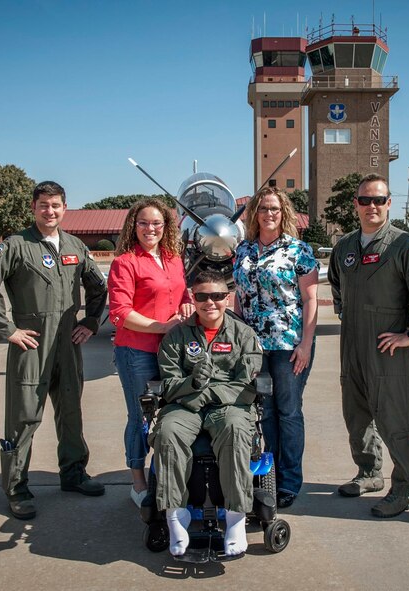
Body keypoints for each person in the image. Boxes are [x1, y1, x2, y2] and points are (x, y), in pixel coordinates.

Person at [0, 181, 107, 520]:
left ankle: (73, 473)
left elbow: (97, 286)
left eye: (56, 205)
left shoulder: (75, 245)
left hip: (67, 343)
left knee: (72, 412)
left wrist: (90, 321)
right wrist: (7, 330)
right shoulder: (15, 246)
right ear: (34, 207)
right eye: (44, 205)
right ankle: (16, 487)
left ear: (64, 208)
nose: (50, 211)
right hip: (31, 343)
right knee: (24, 417)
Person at [327, 173, 409, 518]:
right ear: (356, 205)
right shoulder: (345, 246)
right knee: (356, 415)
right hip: (353, 344)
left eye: (379, 200)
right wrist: (346, 312)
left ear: (389, 203)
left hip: (388, 347)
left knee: (397, 419)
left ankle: (404, 488)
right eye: (365, 200)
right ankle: (369, 472)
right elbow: (336, 284)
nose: (372, 206)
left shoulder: (405, 245)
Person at [150, 270, 263, 557]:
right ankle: (176, 517)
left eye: (216, 296)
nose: (209, 302)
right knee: (167, 431)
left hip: (229, 405)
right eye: (202, 296)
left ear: (228, 298)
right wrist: (194, 383)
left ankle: (236, 518)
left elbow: (246, 386)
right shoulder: (177, 336)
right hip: (184, 406)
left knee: (237, 430)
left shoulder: (244, 335)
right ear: (193, 297)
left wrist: (208, 392)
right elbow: (169, 385)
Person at [232, 186, 318, 509]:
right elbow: (239, 300)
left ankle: (290, 481)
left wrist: (306, 343)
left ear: (284, 214)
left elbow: (310, 299)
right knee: (264, 412)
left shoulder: (298, 250)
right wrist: (239, 340)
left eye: (275, 209)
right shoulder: (243, 251)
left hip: (288, 344)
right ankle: (270, 476)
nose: (269, 214)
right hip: (254, 347)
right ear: (255, 214)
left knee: (289, 412)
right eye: (264, 208)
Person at [108, 198, 193, 507]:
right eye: (143, 223)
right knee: (140, 417)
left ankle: (170, 474)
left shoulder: (173, 258)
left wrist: (186, 302)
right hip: (137, 351)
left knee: (173, 415)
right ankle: (138, 482)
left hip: (171, 353)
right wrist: (161, 327)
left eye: (157, 223)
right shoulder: (125, 262)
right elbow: (119, 312)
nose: (150, 229)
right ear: (134, 225)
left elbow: (182, 292)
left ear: (166, 227)